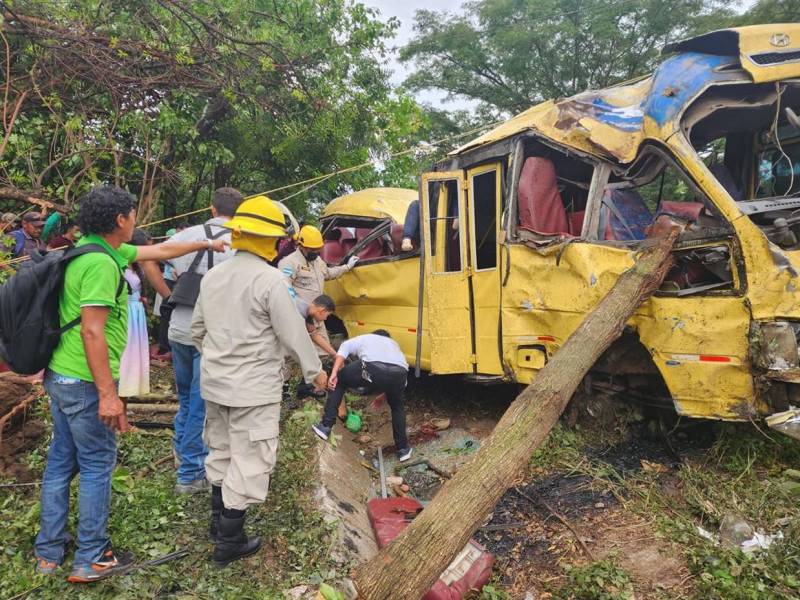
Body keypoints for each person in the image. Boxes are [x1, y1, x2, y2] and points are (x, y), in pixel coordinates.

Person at [34, 185, 228, 584]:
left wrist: (212, 244)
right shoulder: (102, 266)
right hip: (85, 381)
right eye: (133, 215)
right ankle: (92, 556)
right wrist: (108, 395)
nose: (137, 221)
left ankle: (48, 550)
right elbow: (92, 331)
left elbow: (159, 252)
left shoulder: (95, 248)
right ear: (120, 220)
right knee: (96, 464)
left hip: (60, 375)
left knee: (61, 461)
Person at [191, 195, 327, 566]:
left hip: (215, 384)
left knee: (220, 451)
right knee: (250, 459)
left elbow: (197, 331)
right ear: (271, 241)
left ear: (237, 234)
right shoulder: (270, 281)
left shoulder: (213, 276)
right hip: (254, 389)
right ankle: (230, 541)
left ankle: (217, 525)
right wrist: (316, 371)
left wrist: (220, 362)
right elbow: (293, 335)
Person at [165, 187, 243, 495]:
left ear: (212, 209)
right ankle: (189, 474)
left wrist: (165, 293)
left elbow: (150, 258)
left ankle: (181, 454)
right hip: (211, 333)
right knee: (200, 404)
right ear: (238, 212)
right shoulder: (240, 240)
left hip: (179, 326)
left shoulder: (188, 235)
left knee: (186, 398)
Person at [312, 330, 412, 462]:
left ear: (374, 334)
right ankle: (403, 450)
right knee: (397, 406)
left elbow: (345, 347)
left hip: (371, 367)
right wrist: (385, 395)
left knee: (340, 381)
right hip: (399, 373)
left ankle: (325, 427)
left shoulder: (366, 337)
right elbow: (399, 382)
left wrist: (335, 372)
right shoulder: (394, 345)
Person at [278, 225, 357, 356]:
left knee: (323, 354)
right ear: (301, 245)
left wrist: (347, 267)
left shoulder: (317, 261)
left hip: (317, 317)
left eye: (317, 249)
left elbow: (328, 273)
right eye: (312, 250)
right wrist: (302, 309)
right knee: (297, 356)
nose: (315, 253)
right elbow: (284, 288)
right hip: (298, 319)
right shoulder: (289, 263)